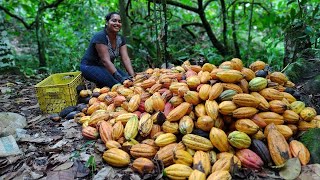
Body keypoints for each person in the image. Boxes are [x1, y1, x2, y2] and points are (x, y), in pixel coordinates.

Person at [80, 12, 135, 88]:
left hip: (105, 67)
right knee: (117, 85)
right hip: (90, 66)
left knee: (129, 81)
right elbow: (105, 61)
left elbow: (125, 58)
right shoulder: (100, 37)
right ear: (106, 22)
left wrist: (133, 76)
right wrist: (120, 78)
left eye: (119, 21)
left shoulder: (120, 39)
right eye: (114, 20)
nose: (117, 23)